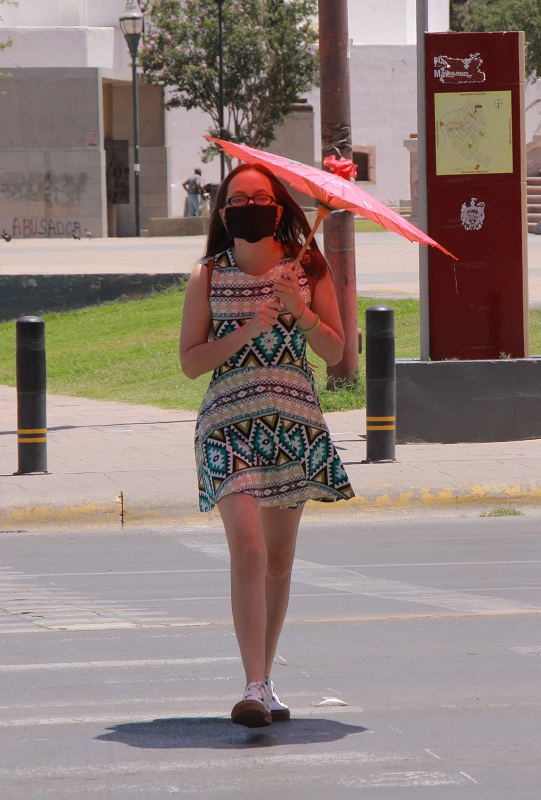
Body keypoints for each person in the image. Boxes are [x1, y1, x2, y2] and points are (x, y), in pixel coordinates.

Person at [178, 164, 355, 728]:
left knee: (278, 561)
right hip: (227, 427)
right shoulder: (208, 274)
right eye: (237, 199)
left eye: (260, 197)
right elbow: (190, 362)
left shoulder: (307, 268)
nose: (248, 205)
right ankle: (252, 686)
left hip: (292, 426)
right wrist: (246, 331)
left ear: (278, 206)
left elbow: (335, 353)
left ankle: (268, 679)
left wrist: (298, 311)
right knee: (249, 550)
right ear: (223, 211)